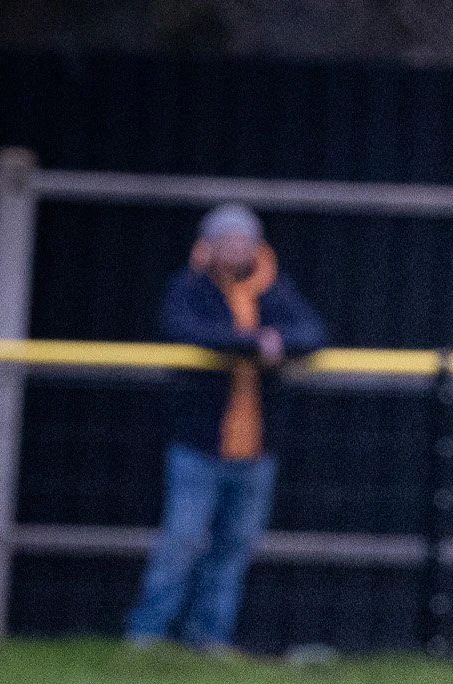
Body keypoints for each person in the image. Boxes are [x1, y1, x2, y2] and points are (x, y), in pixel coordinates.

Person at [126, 204, 325, 653]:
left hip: (255, 447)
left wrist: (277, 342)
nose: (235, 249)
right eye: (227, 241)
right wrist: (254, 343)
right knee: (181, 540)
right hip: (199, 443)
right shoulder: (190, 287)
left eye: (243, 241)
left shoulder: (274, 289)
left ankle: (208, 639)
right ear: (209, 245)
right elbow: (183, 329)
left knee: (233, 548)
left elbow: (312, 333)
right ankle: (146, 637)